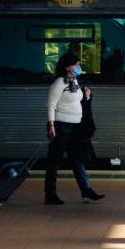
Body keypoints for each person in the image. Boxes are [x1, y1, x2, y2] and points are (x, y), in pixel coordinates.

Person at [45, 52, 105, 205]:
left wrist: (86, 96)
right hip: (62, 126)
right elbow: (51, 105)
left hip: (76, 127)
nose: (79, 67)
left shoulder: (74, 81)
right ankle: (50, 194)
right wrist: (51, 125)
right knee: (54, 160)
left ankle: (86, 190)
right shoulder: (59, 83)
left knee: (78, 159)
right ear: (67, 67)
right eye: (76, 64)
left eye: (79, 64)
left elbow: (75, 101)